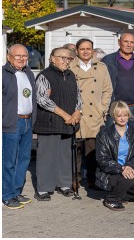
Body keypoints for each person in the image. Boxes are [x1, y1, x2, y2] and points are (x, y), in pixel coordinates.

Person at [33, 46, 81, 201]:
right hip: (50, 122)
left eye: (69, 59)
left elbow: (78, 95)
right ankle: (43, 189)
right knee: (47, 156)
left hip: (68, 122)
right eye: (63, 58)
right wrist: (65, 114)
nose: (66, 61)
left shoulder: (71, 75)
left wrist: (77, 112)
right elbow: (42, 99)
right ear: (52, 58)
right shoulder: (44, 75)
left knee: (65, 155)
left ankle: (64, 184)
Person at [69, 38, 112, 190]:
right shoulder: (70, 67)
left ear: (93, 51)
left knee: (93, 151)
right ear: (77, 51)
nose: (86, 51)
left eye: (89, 49)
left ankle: (92, 179)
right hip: (77, 114)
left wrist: (103, 109)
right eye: (82, 49)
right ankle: (75, 179)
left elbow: (108, 90)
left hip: (95, 114)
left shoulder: (101, 67)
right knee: (76, 150)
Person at [95, 101, 134, 210]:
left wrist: (129, 166)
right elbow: (102, 159)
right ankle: (112, 199)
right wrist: (121, 168)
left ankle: (120, 194)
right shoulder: (104, 135)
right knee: (127, 179)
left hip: (130, 169)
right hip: (112, 172)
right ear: (113, 116)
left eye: (125, 115)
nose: (122, 118)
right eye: (119, 115)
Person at [3, 44, 36, 209]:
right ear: (9, 57)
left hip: (27, 122)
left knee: (23, 160)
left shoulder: (28, 73)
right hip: (11, 122)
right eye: (18, 56)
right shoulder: (3, 74)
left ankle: (16, 191)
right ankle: (7, 195)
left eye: (25, 56)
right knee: (8, 161)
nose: (22, 59)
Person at [103, 31, 134, 126]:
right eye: (126, 41)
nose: (129, 45)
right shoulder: (108, 60)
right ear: (119, 42)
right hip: (114, 107)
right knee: (113, 138)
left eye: (132, 42)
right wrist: (104, 109)